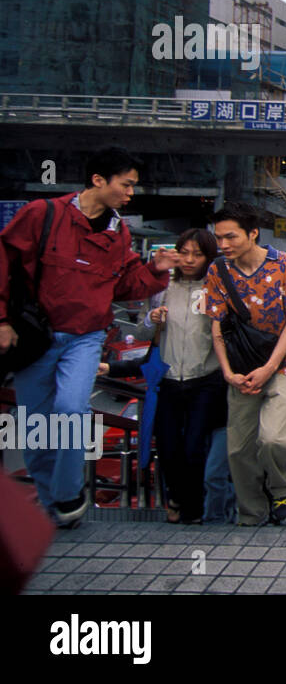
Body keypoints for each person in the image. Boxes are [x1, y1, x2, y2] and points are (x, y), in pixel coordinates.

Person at [0, 147, 179, 527]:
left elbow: (125, 285)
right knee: (36, 424)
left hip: (85, 337)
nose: (131, 193)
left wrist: (155, 269)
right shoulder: (41, 215)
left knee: (69, 410)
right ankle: (56, 504)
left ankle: (67, 495)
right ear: (98, 180)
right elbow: (5, 262)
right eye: (126, 184)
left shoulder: (119, 232)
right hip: (37, 336)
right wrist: (2, 320)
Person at [205, 202, 286, 527]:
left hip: (285, 364)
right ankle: (252, 512)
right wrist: (227, 372)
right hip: (240, 367)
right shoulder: (218, 271)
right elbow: (217, 324)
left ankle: (283, 492)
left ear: (253, 234)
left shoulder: (285, 265)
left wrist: (269, 368)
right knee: (238, 448)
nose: (223, 245)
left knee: (273, 440)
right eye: (218, 238)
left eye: (230, 237)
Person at [144, 228, 223, 524]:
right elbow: (139, 331)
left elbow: (227, 332)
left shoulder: (216, 287)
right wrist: (151, 321)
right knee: (167, 445)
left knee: (194, 445)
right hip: (168, 378)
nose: (190, 260)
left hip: (205, 378)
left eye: (198, 254)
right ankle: (175, 497)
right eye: (185, 252)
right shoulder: (162, 287)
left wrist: (218, 312)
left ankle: (192, 507)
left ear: (208, 257)